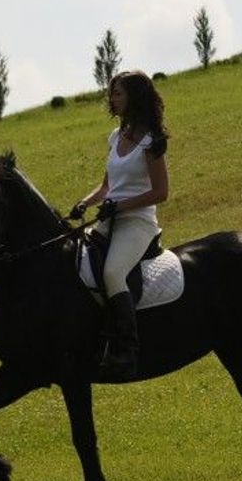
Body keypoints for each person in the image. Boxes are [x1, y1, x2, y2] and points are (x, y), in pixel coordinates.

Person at [68, 70, 170, 377]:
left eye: (118, 93)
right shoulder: (115, 137)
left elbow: (161, 192)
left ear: (134, 98)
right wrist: (86, 203)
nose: (112, 99)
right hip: (109, 218)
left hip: (137, 224)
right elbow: (105, 187)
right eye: (111, 93)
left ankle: (127, 349)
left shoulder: (151, 142)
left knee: (113, 272)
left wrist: (120, 206)